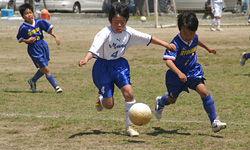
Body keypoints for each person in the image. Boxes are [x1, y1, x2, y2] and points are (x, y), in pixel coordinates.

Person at [78, 2, 176, 137]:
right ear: (109, 21)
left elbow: (148, 38)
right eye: (116, 22)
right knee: (109, 105)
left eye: (122, 22)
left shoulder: (129, 32)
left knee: (129, 93)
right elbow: (94, 48)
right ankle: (101, 100)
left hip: (120, 66)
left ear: (126, 21)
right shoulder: (104, 33)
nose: (119, 25)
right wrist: (86, 59)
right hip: (102, 67)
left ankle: (130, 126)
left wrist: (166, 44)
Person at [154, 12, 227, 133]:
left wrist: (207, 48)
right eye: (185, 33)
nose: (188, 37)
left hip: (192, 71)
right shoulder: (174, 44)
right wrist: (179, 73)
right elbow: (168, 62)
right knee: (172, 99)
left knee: (203, 91)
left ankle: (214, 121)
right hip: (175, 76)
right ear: (180, 30)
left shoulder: (194, 37)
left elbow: (197, 40)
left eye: (191, 33)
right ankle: (160, 102)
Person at [16, 3, 62, 93]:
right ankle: (56, 87)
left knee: (43, 68)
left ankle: (32, 81)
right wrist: (27, 40)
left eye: (30, 12)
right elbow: (20, 39)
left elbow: (48, 29)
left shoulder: (39, 22)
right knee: (46, 69)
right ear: (22, 16)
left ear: (33, 13)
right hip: (33, 49)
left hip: (42, 45)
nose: (29, 15)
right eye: (26, 13)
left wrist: (56, 37)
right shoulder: (23, 27)